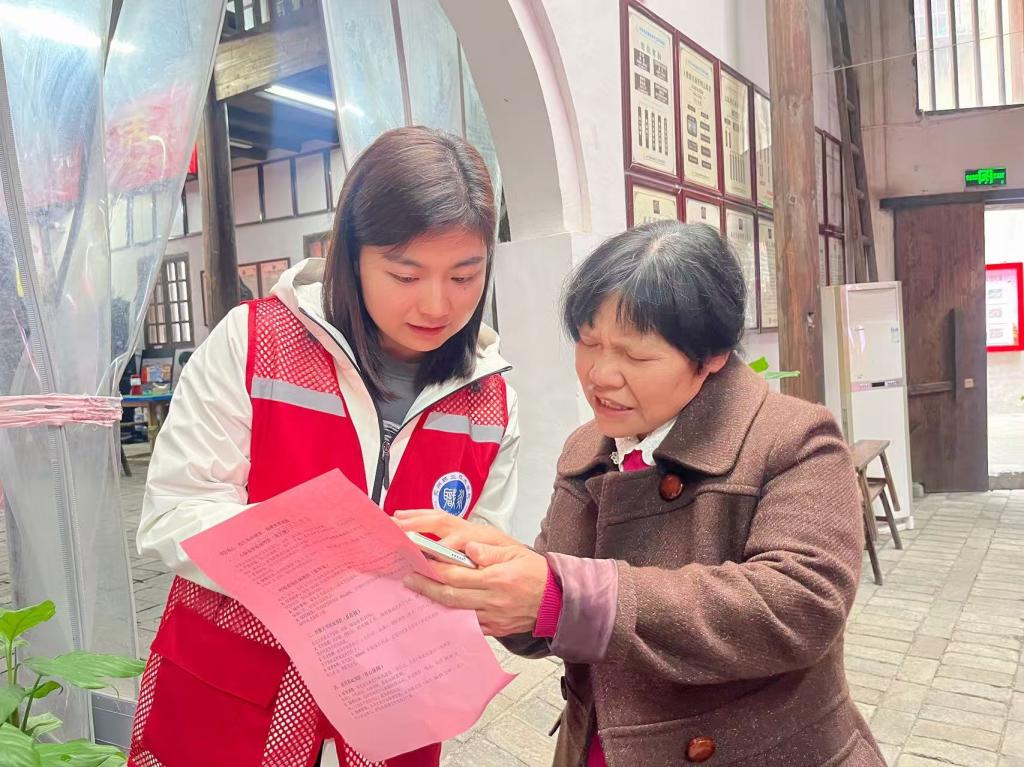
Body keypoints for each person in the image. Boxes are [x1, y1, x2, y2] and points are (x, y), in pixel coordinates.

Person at [398, 221, 885, 767]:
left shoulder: (795, 439)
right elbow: (556, 608)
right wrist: (487, 576)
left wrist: (563, 596)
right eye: (588, 343)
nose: (600, 375)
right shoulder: (589, 447)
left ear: (712, 355)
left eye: (636, 356)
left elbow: (800, 606)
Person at [128, 127, 520, 767]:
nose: (437, 303)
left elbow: (482, 538)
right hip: (233, 686)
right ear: (350, 256)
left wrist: (466, 572)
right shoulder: (254, 343)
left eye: (464, 275)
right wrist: (313, 557)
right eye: (405, 274)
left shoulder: (491, 397)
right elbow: (173, 512)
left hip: (392, 695)